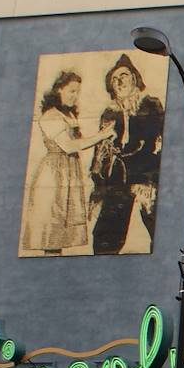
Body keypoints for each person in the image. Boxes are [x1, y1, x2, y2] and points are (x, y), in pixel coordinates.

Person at [20, 71, 114, 254]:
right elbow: (69, 146)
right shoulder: (50, 116)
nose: (75, 96)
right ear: (59, 90)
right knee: (52, 232)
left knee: (61, 234)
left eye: (77, 92)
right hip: (53, 177)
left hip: (68, 175)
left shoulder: (67, 115)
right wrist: (101, 135)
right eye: (71, 91)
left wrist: (102, 135)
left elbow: (80, 142)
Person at [90, 54, 164, 255]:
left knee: (160, 232)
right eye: (114, 79)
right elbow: (100, 154)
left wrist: (152, 180)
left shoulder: (150, 104)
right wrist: (98, 185)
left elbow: (158, 142)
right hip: (118, 179)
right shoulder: (110, 112)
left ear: (134, 78)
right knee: (104, 239)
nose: (119, 81)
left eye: (124, 75)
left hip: (145, 178)